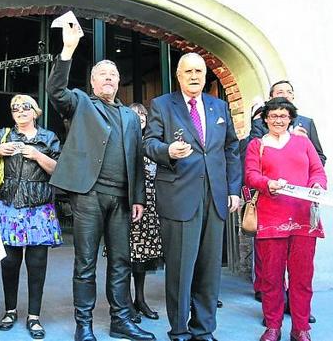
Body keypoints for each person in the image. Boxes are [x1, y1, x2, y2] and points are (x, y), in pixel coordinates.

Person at [46, 23, 155, 341]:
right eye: (102, 74)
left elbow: (136, 158)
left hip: (122, 198)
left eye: (113, 74)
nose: (108, 77)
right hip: (89, 194)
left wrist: (138, 197)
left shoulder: (131, 117)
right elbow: (56, 91)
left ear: (119, 82)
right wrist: (67, 50)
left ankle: (121, 319)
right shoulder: (81, 103)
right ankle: (84, 325)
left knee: (121, 261)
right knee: (86, 262)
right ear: (93, 82)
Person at [144, 52, 241, 341]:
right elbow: (148, 143)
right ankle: (179, 329)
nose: (195, 76)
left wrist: (234, 190)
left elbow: (231, 150)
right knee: (180, 268)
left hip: (215, 197)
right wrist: (168, 152)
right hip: (179, 196)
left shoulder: (219, 106)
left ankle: (204, 329)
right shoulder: (162, 105)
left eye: (199, 71)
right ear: (179, 75)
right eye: (189, 72)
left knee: (210, 269)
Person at [244, 97, 327, 341]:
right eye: (273, 116)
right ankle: (273, 326)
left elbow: (317, 171)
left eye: (283, 115)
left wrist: (317, 185)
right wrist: (268, 183)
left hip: (303, 217)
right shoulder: (256, 145)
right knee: (271, 277)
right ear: (265, 119)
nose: (278, 120)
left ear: (291, 117)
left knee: (302, 278)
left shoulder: (303, 142)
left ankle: (301, 328)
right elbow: (250, 175)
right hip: (270, 219)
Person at [0, 94, 62, 339]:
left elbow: (60, 171)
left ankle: (34, 316)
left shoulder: (48, 137)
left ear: (35, 111)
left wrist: (37, 155)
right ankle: (10, 310)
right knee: (9, 263)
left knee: (37, 264)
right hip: (9, 206)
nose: (20, 111)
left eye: (25, 107)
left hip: (39, 208)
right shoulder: (3, 135)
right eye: (15, 108)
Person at [128, 103, 163, 321]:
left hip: (151, 202)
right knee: (126, 256)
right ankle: (124, 303)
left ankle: (139, 300)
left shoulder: (151, 143)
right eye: (135, 114)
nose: (140, 117)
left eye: (143, 114)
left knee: (143, 256)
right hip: (129, 203)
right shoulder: (124, 142)